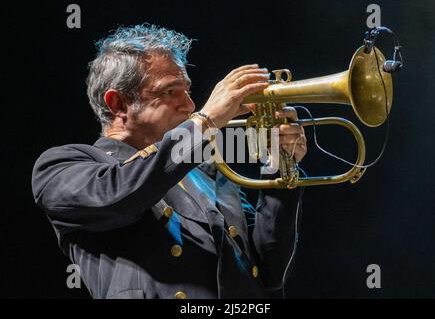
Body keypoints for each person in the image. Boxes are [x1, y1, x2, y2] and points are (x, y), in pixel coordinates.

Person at [31, 23, 307, 299]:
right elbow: (120, 195)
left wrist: (279, 164)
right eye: (170, 92)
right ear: (119, 104)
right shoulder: (62, 166)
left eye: (187, 90)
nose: (189, 105)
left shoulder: (207, 171)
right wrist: (205, 122)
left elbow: (270, 273)